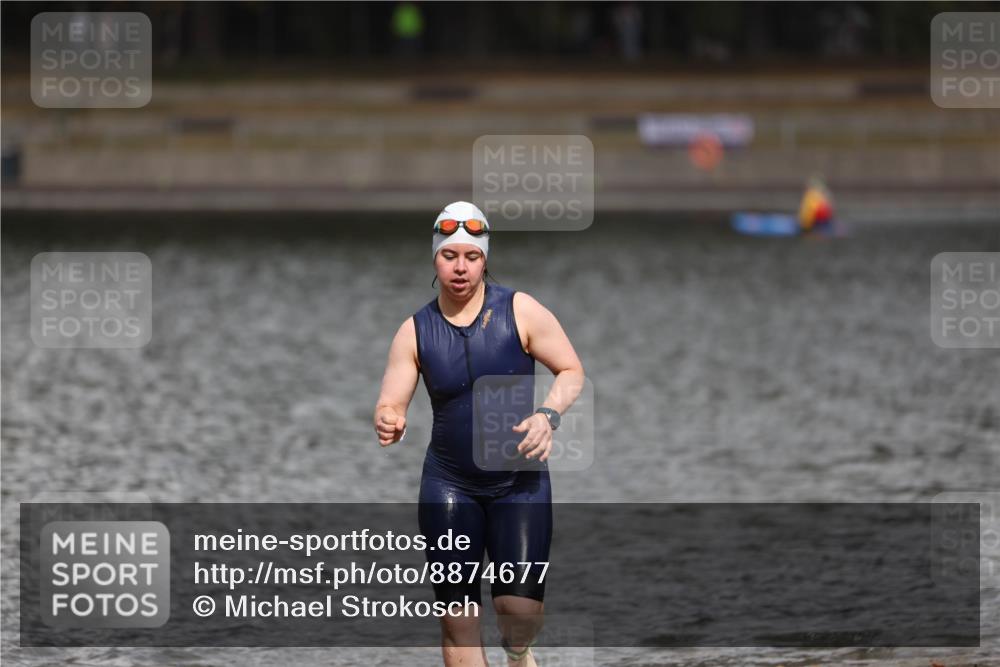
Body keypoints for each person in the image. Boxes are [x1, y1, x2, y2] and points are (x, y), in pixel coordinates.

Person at [374, 201, 585, 667]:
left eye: (471, 256)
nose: (461, 267)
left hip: (519, 484)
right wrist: (389, 417)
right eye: (450, 256)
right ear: (435, 259)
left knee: (519, 614)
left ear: (485, 258)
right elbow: (391, 400)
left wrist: (547, 415)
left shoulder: (521, 310)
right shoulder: (415, 332)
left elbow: (571, 370)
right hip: (449, 484)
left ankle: (519, 653)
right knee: (458, 621)